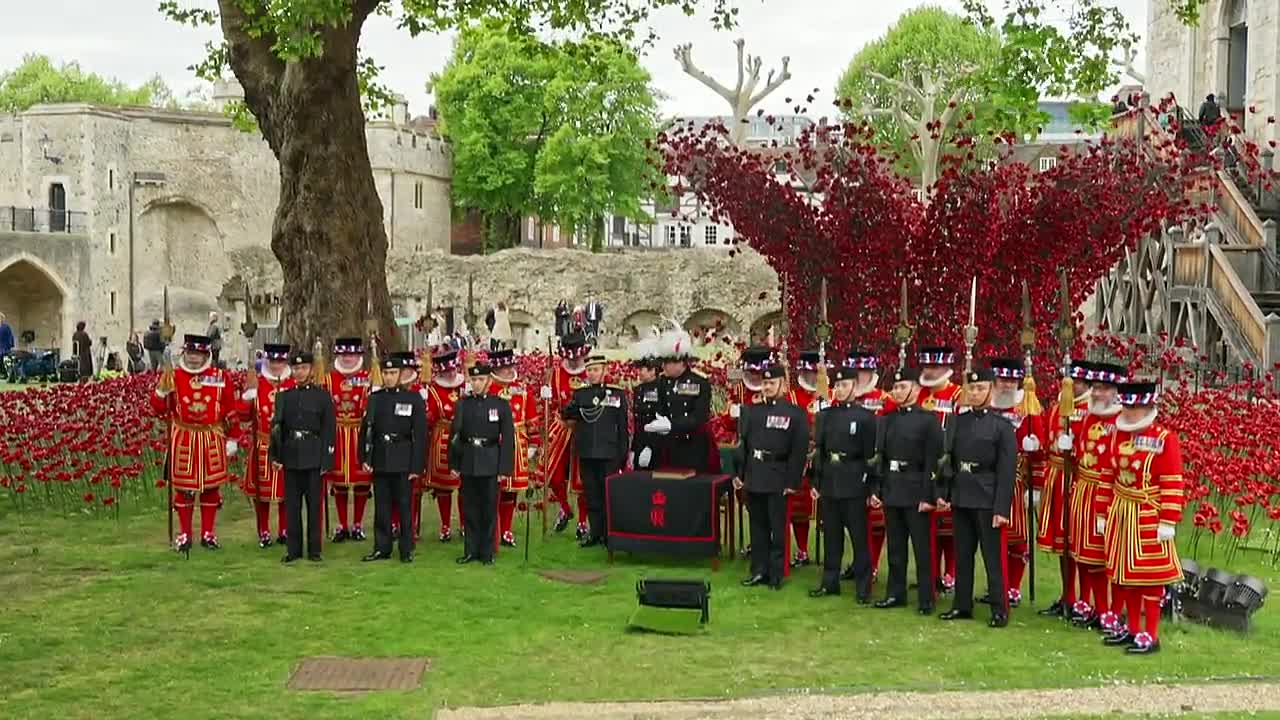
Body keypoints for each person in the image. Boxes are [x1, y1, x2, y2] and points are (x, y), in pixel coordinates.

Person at [1099, 380, 1184, 654]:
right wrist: (1103, 511)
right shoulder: (1116, 434)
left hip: (1148, 516)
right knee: (1127, 578)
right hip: (1121, 514)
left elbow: (1172, 481)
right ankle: (1133, 628)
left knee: (1150, 578)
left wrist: (1168, 520)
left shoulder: (1163, 439)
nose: (1130, 412)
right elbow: (1106, 476)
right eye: (1127, 406)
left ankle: (1152, 634)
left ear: (1149, 406)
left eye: (1136, 407)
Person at [937, 368, 1017, 628]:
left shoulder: (1002, 427)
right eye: (971, 389)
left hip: (987, 495)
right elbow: (948, 459)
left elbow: (1006, 471)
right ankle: (962, 604)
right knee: (962, 555)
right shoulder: (957, 422)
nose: (974, 393)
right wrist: (945, 492)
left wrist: (1001, 508)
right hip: (962, 494)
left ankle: (999, 607)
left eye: (980, 388)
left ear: (991, 390)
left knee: (992, 556)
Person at [150, 334, 241, 553]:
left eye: (198, 354)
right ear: (184, 353)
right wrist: (161, 393)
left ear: (206, 355)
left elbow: (229, 408)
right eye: (190, 353)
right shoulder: (174, 376)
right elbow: (159, 409)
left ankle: (208, 533)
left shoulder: (219, 376)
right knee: (184, 489)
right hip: (184, 437)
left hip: (211, 436)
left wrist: (233, 438)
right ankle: (185, 534)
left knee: (210, 488)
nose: (193, 358)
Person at [809, 354, 879, 602]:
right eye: (836, 385)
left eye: (844, 385)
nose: (839, 390)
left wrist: (872, 488)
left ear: (855, 387)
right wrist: (816, 482)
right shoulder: (825, 415)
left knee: (859, 537)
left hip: (854, 481)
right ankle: (830, 582)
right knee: (832, 535)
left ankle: (863, 585)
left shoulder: (866, 418)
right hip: (830, 480)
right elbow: (820, 450)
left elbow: (871, 457)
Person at [873, 366, 943, 615]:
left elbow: (933, 462)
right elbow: (880, 457)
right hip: (893, 487)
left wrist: (929, 495)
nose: (897, 391)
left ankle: (926, 597)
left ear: (915, 388)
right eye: (895, 387)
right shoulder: (887, 420)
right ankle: (895, 593)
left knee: (922, 548)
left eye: (903, 387)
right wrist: (878, 489)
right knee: (895, 547)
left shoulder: (928, 420)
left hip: (916, 489)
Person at [735, 360, 808, 590]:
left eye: (771, 383)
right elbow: (744, 445)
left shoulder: (795, 414)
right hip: (755, 473)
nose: (766, 387)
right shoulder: (752, 412)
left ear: (783, 385)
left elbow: (799, 450)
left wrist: (792, 481)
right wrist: (741, 474)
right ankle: (759, 570)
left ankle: (777, 573)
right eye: (764, 383)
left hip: (779, 475)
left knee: (778, 528)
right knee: (757, 527)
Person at [1067, 361, 1128, 631]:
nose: (1095, 393)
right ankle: (1096, 606)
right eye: (1094, 387)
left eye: (1102, 389)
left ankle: (1114, 610)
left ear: (1116, 391)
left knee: (1111, 558)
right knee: (1086, 556)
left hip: (1110, 495)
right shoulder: (1090, 416)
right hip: (1083, 490)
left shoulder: (1124, 420)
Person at [1035, 360, 1096, 619]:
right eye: (1069, 381)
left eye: (1078, 382)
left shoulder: (1091, 410)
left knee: (1080, 544)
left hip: (1077, 478)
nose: (1072, 386)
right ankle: (1067, 595)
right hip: (1056, 476)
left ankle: (1085, 600)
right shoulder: (1057, 407)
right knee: (1062, 544)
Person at [988, 357, 1047, 608]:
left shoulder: (1028, 409)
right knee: (991, 536)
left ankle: (1013, 586)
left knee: (1017, 537)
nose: (1006, 386)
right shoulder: (987, 403)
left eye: (1011, 381)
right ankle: (996, 585)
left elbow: (1040, 452)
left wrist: (1034, 486)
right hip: (986, 479)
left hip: (1015, 481)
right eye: (1002, 380)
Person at [270, 350, 336, 563]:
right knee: (292, 506)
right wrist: (275, 456)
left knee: (314, 505)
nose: (299, 372)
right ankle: (294, 549)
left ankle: (314, 549)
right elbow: (277, 429)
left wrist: (327, 459)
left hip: (314, 454)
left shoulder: (322, 397)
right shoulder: (284, 397)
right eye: (296, 368)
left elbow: (328, 430)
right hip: (291, 455)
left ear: (311, 369)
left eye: (304, 368)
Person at [361, 352, 427, 563]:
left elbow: (420, 434)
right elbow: (366, 430)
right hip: (381, 457)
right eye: (386, 373)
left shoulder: (413, 399)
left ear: (401, 374)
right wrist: (364, 457)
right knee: (382, 506)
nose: (389, 377)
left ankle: (406, 549)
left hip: (403, 458)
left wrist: (416, 466)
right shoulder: (375, 399)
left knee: (405, 506)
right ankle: (382, 547)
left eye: (393, 373)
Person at [449, 363, 515, 565]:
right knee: (469, 508)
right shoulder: (463, 404)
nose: (476, 384)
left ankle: (487, 552)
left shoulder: (501, 405)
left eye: (480, 380)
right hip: (469, 459)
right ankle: (470, 550)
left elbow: (508, 439)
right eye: (474, 380)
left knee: (488, 509)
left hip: (490, 460)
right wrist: (454, 463)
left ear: (489, 381)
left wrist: (504, 468)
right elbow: (455, 436)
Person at [563, 354, 629, 548]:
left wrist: (622, 454)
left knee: (608, 495)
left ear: (604, 371)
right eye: (589, 370)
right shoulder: (580, 394)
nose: (592, 374)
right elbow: (568, 414)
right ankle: (595, 533)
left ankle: (610, 535)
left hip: (609, 453)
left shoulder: (616, 394)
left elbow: (623, 427)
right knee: (591, 495)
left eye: (596, 370)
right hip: (587, 452)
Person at [844, 349, 896, 583]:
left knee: (875, 521)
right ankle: (858, 560)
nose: (858, 377)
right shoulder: (842, 400)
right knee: (851, 520)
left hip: (876, 467)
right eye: (854, 373)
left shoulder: (886, 400)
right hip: (850, 468)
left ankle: (872, 565)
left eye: (863, 372)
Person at [916, 345, 962, 593]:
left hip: (947, 466)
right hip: (922, 467)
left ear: (946, 368)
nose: (930, 371)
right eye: (927, 366)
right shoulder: (919, 394)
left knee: (948, 528)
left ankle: (951, 573)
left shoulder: (958, 395)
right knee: (926, 528)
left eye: (935, 367)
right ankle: (930, 573)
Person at [240, 343, 295, 548]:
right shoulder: (258, 383)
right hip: (263, 442)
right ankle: (263, 530)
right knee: (261, 493)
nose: (277, 365)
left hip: (287, 445)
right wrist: (247, 399)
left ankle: (284, 529)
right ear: (267, 361)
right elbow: (243, 416)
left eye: (281, 361)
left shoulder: (292, 383)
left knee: (286, 491)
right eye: (273, 361)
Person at [540, 331, 592, 535]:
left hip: (584, 429)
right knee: (551, 473)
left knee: (582, 479)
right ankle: (565, 508)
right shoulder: (555, 373)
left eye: (576, 357)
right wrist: (546, 396)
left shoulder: (590, 372)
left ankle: (582, 522)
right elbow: (549, 404)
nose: (572, 361)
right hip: (560, 427)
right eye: (569, 357)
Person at [325, 337, 374, 543]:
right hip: (337, 434)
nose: (347, 358)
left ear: (359, 356)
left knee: (362, 482)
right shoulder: (328, 378)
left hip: (359, 433)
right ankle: (342, 524)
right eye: (344, 355)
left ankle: (358, 524)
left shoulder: (368, 377)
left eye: (352, 354)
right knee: (340, 483)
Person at [648, 326, 715, 473]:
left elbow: (699, 416)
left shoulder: (699, 383)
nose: (664, 366)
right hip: (668, 446)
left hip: (692, 446)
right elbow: (659, 409)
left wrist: (673, 425)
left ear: (681, 363)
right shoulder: (662, 383)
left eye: (668, 362)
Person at [489, 348, 537, 547]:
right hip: (494, 443)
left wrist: (534, 444)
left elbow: (532, 419)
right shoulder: (488, 388)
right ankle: (493, 528)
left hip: (518, 441)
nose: (509, 370)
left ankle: (506, 530)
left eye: (511, 366)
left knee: (511, 490)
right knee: (494, 487)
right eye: (504, 367)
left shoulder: (523, 389)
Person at [787, 349, 828, 568]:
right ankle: (802, 550)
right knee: (799, 509)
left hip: (826, 460)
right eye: (808, 372)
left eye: (816, 372)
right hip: (801, 458)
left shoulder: (829, 394)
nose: (812, 376)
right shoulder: (792, 397)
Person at [425, 349, 465, 541]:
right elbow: (430, 419)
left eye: (453, 370)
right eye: (446, 371)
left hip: (464, 435)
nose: (450, 374)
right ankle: (445, 525)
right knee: (443, 487)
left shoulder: (465, 385)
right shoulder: (433, 390)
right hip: (442, 436)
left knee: (465, 485)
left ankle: (465, 524)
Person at [629, 338, 665, 470]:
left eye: (642, 369)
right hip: (640, 442)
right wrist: (634, 449)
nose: (639, 372)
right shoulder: (639, 390)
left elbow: (660, 420)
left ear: (652, 370)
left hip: (657, 446)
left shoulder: (661, 388)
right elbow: (638, 422)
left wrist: (651, 447)